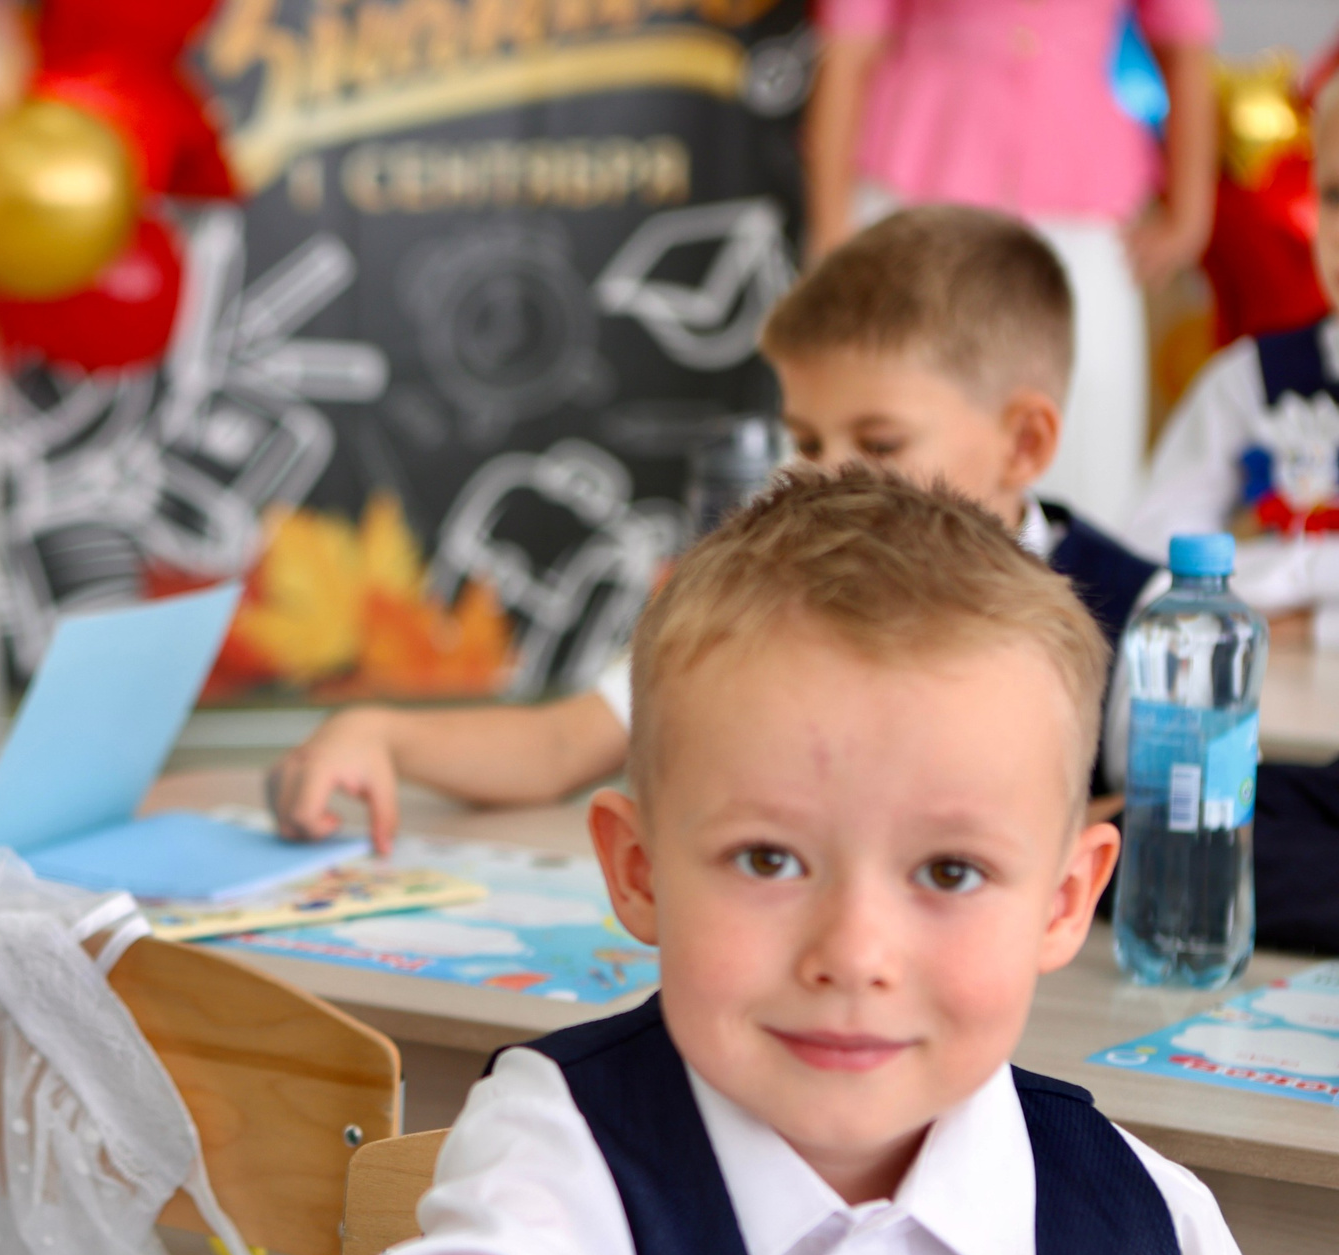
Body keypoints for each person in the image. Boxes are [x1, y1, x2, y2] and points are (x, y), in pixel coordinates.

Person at [339, 469, 1337, 1255]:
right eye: (768, 859)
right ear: (639, 871)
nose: (853, 954)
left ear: (1065, 903)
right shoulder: (565, 1141)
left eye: (949, 872)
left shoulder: (1153, 1232)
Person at [270, 207, 1158, 848]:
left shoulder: (1148, 620)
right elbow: (563, 743)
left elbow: (1187, 827)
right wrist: (382, 732)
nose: (828, 476)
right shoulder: (756, 588)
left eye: (880, 442)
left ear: (1024, 442)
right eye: (806, 439)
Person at [802, 0, 1218, 532]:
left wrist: (1191, 213)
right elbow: (848, 47)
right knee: (898, 427)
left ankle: (1076, 583)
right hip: (919, 176)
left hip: (1081, 187)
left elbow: (1185, 46)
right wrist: (831, 231)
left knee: (1089, 427)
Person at [1132, 78, 1339, 652]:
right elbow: (1150, 564)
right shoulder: (1249, 379)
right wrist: (1314, 579)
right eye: (1335, 196)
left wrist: (1311, 623)